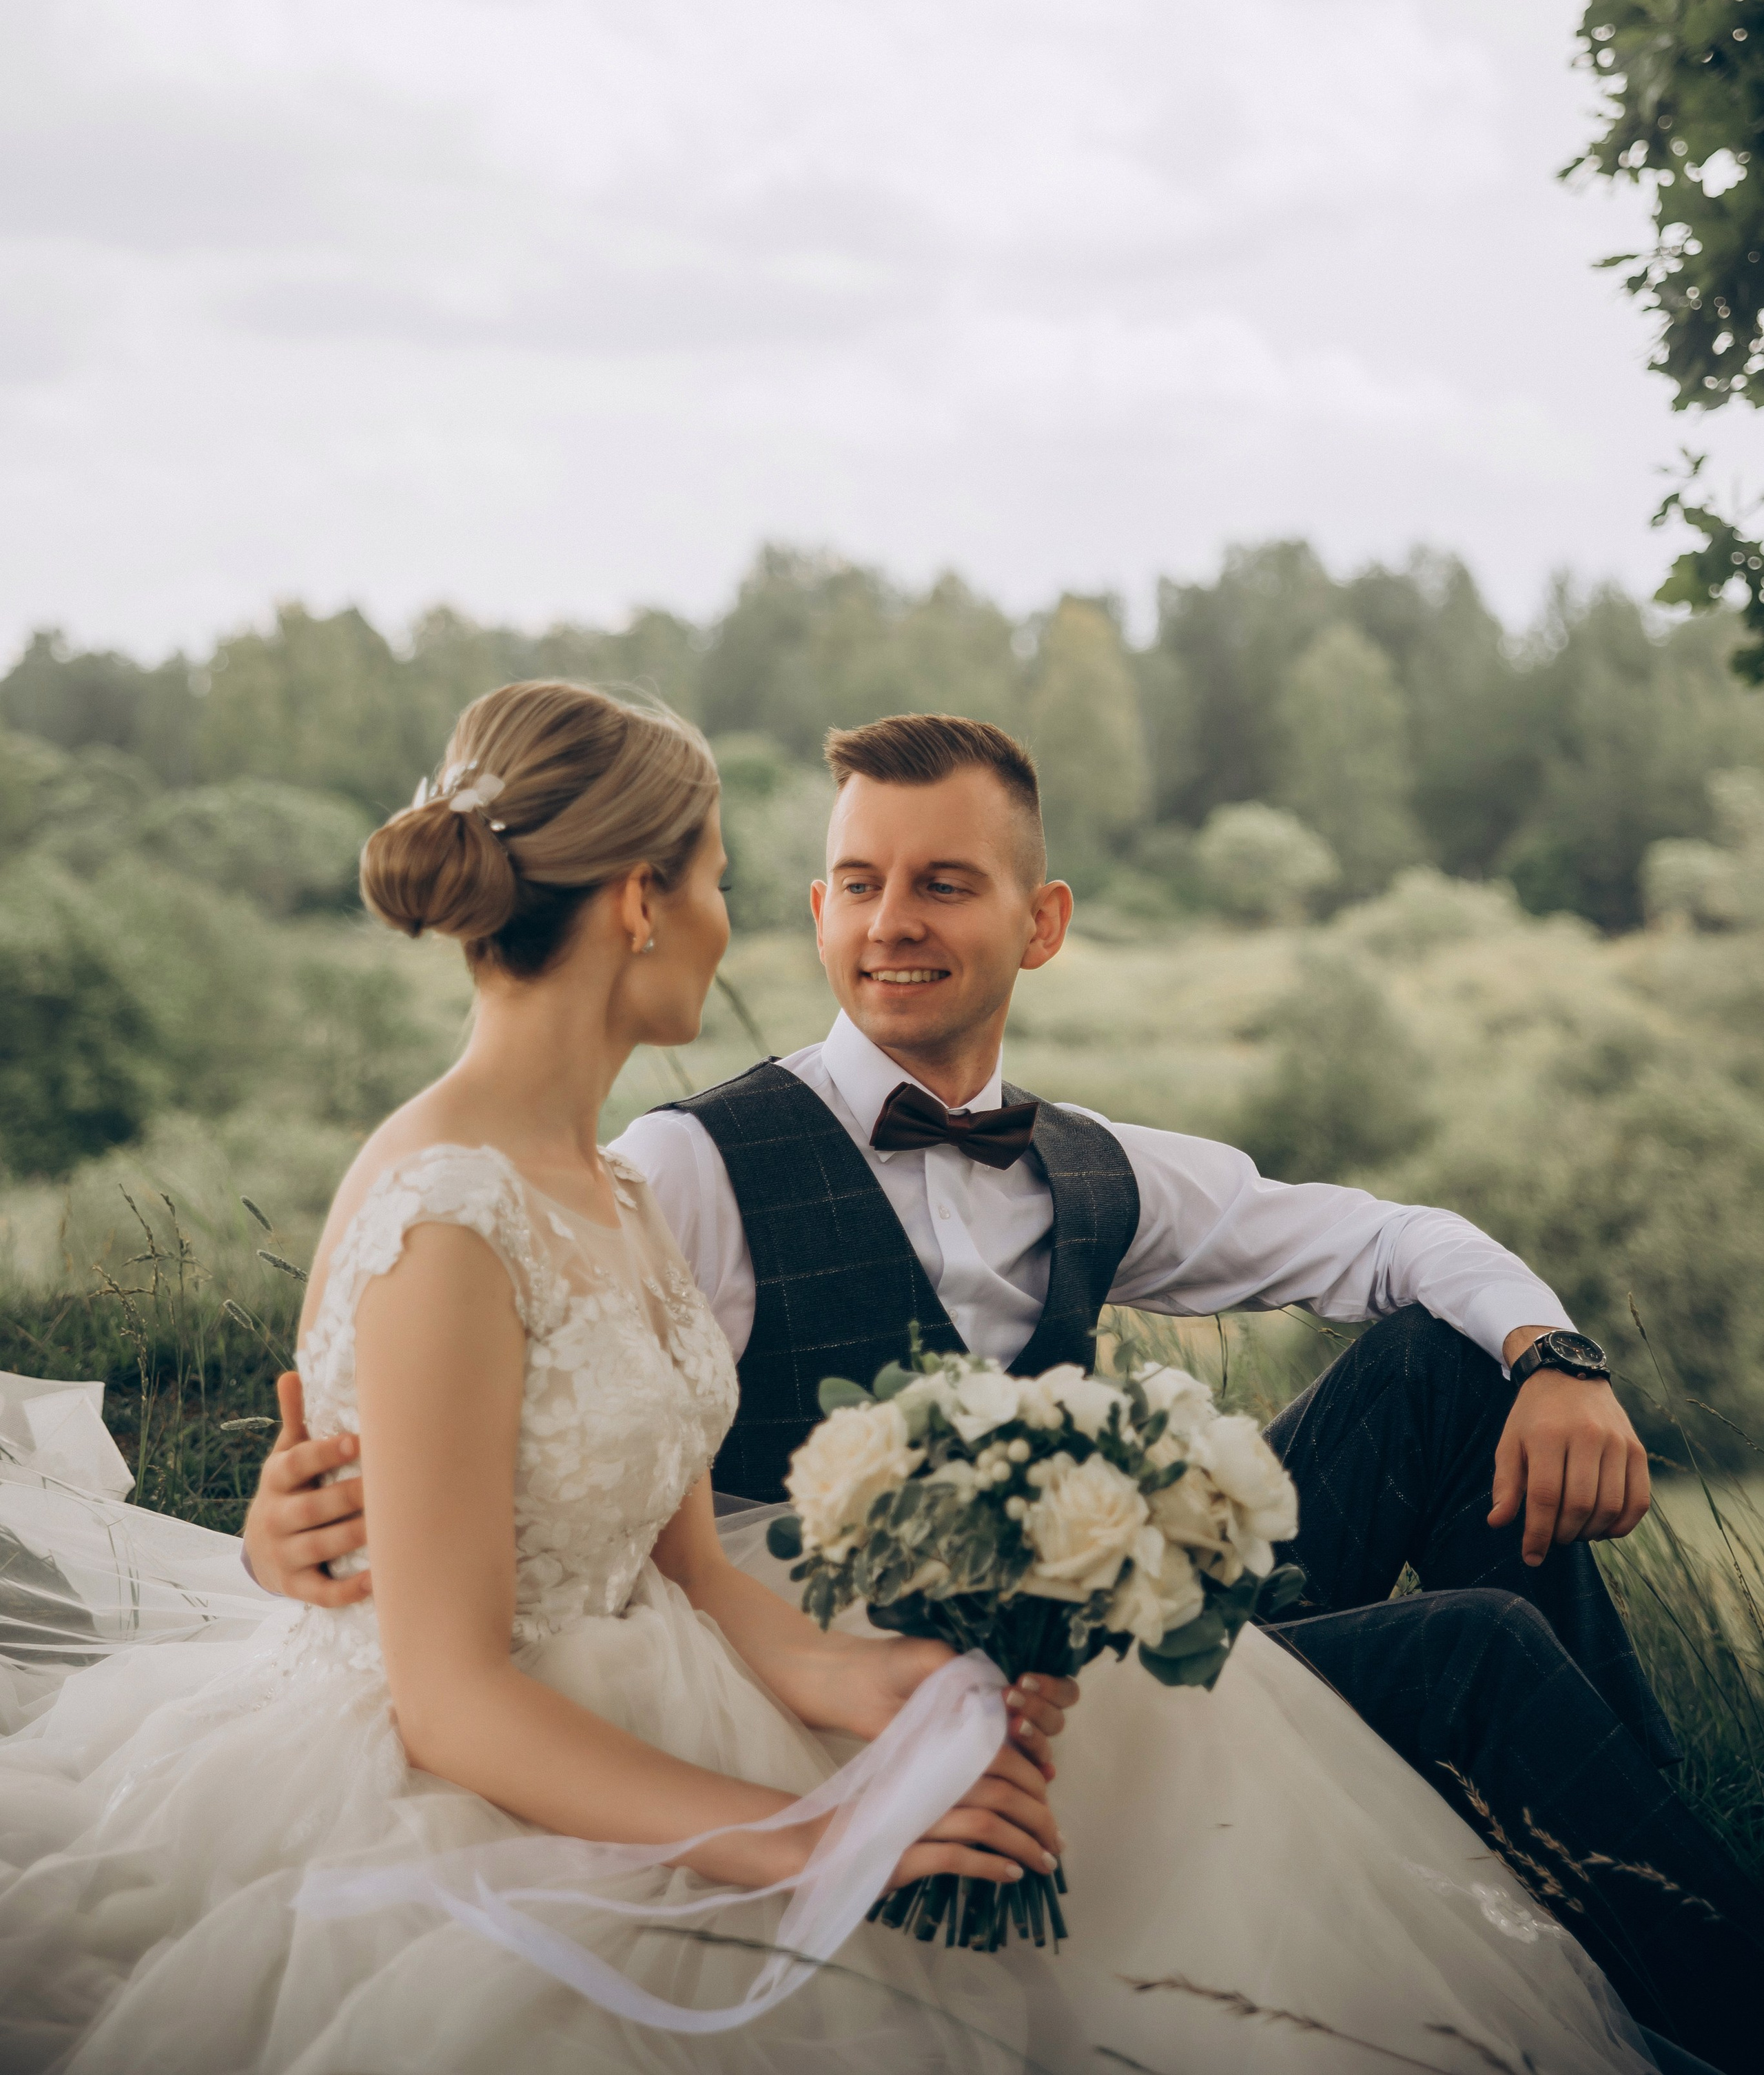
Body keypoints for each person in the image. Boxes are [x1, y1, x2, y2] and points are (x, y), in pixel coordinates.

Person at [240, 711, 1764, 2073]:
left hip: (1091, 1639)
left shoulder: (1088, 1158)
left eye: (940, 884)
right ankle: (1703, 1965)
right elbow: (517, 1418)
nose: (887, 923)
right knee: (1476, 1654)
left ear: (1040, 924)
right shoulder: (675, 1169)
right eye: (852, 883)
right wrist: (306, 1521)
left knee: (1452, 1356)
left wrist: (1550, 1353)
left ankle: (1638, 1867)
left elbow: (1383, 1237)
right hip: (864, 1661)